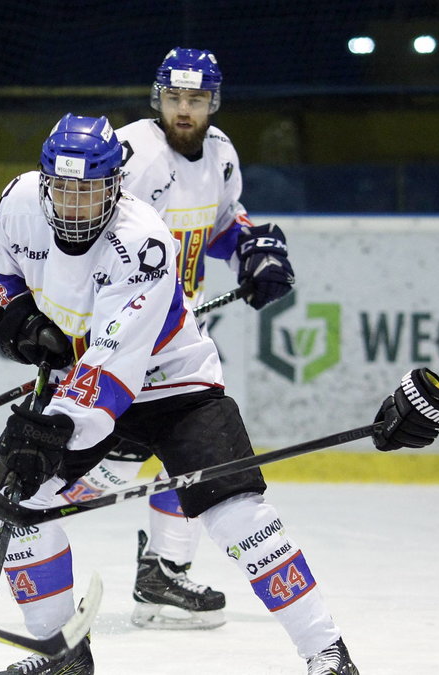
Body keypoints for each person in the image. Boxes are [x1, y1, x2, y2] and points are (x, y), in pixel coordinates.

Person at [0, 113, 355, 674]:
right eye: (64, 189)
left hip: (174, 383)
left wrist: (50, 429)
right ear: (44, 180)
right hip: (86, 379)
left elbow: (112, 372)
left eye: (91, 191)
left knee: (239, 514)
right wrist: (23, 318)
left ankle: (326, 652)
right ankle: (62, 656)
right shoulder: (18, 202)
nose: (75, 205)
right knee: (12, 499)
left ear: (116, 186)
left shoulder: (143, 240)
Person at [45, 47, 298, 631]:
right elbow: (83, 233)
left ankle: (163, 570)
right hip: (123, 331)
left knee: (188, 451)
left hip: (178, 336)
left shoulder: (222, 154)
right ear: (159, 96)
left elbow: (225, 224)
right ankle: (38, 518)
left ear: (214, 101)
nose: (185, 110)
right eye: (176, 97)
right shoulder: (131, 155)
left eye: (197, 99)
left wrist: (253, 252)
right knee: (104, 465)